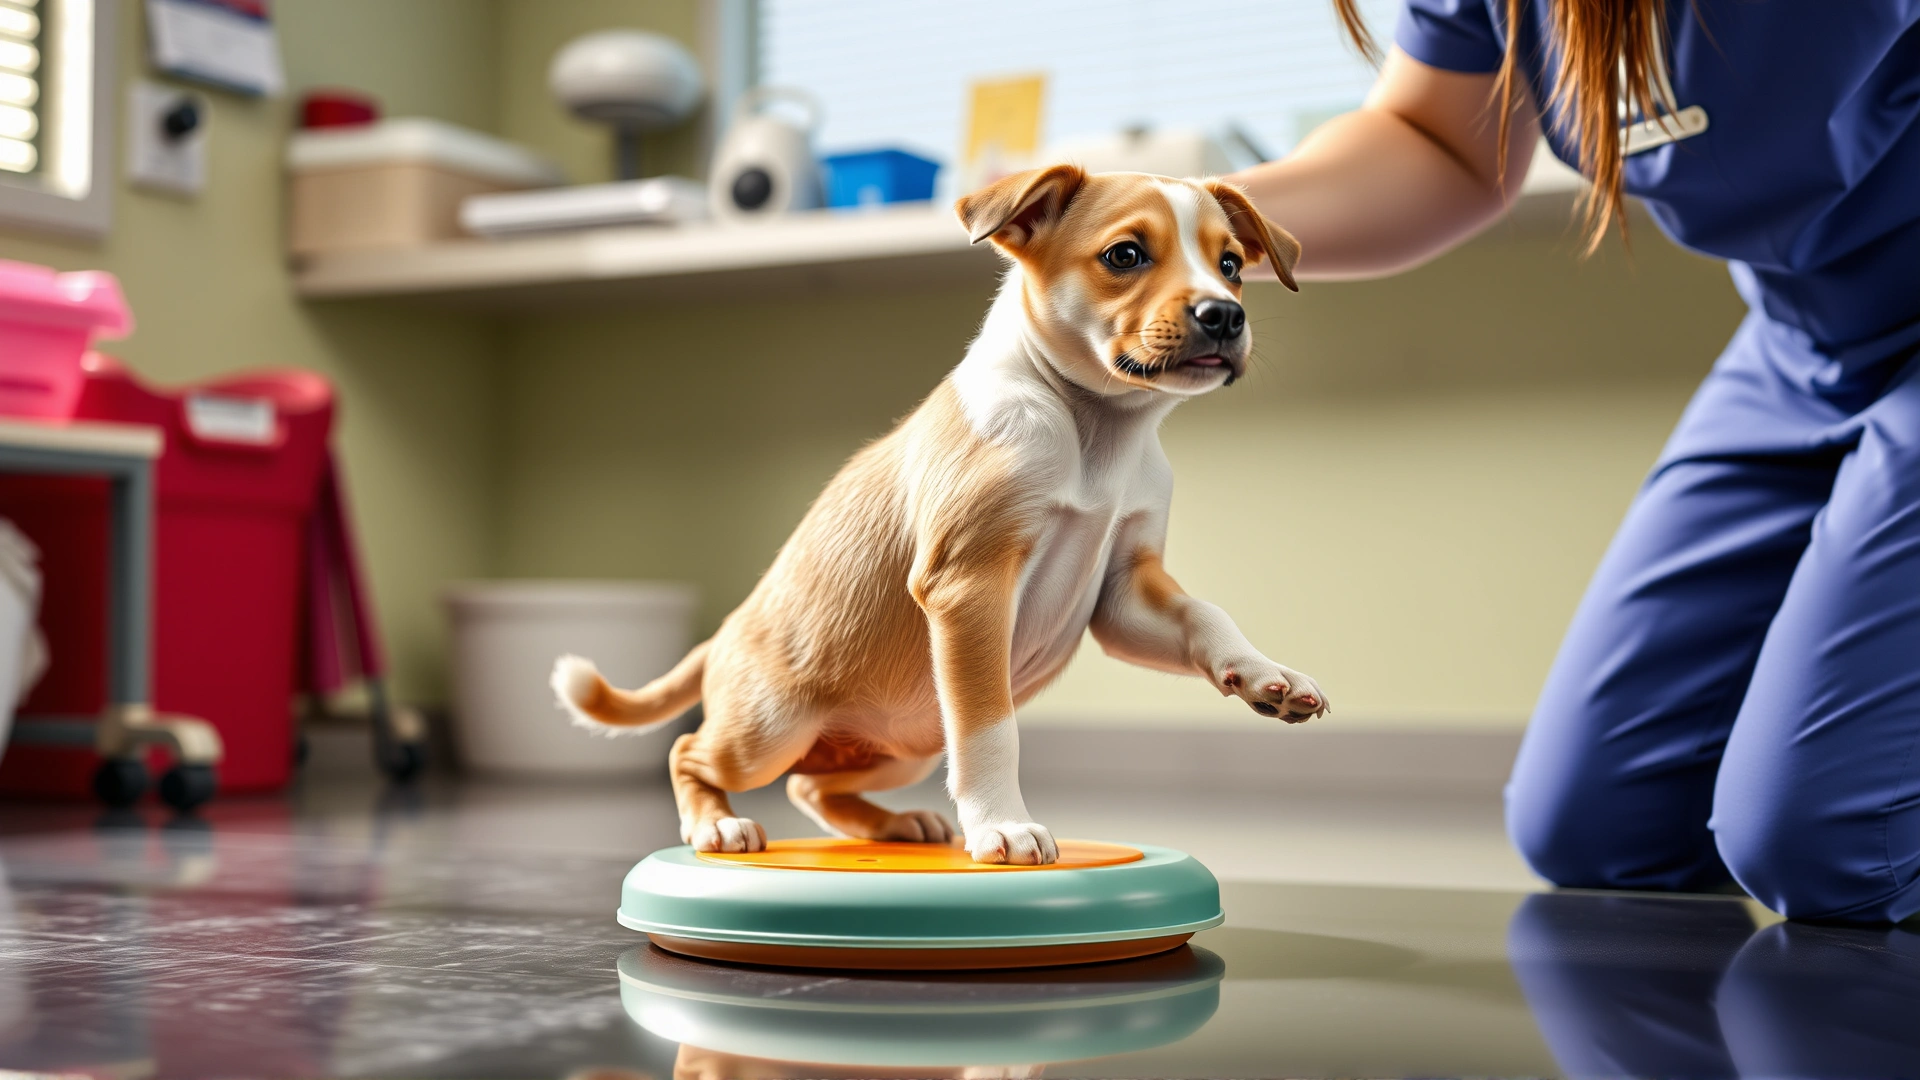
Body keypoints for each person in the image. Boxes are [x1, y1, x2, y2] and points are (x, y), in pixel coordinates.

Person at [1228, 1, 1920, 922]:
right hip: (1804, 342)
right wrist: (1184, 218)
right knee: (1600, 832)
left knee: (1836, 843)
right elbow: (1438, 140)